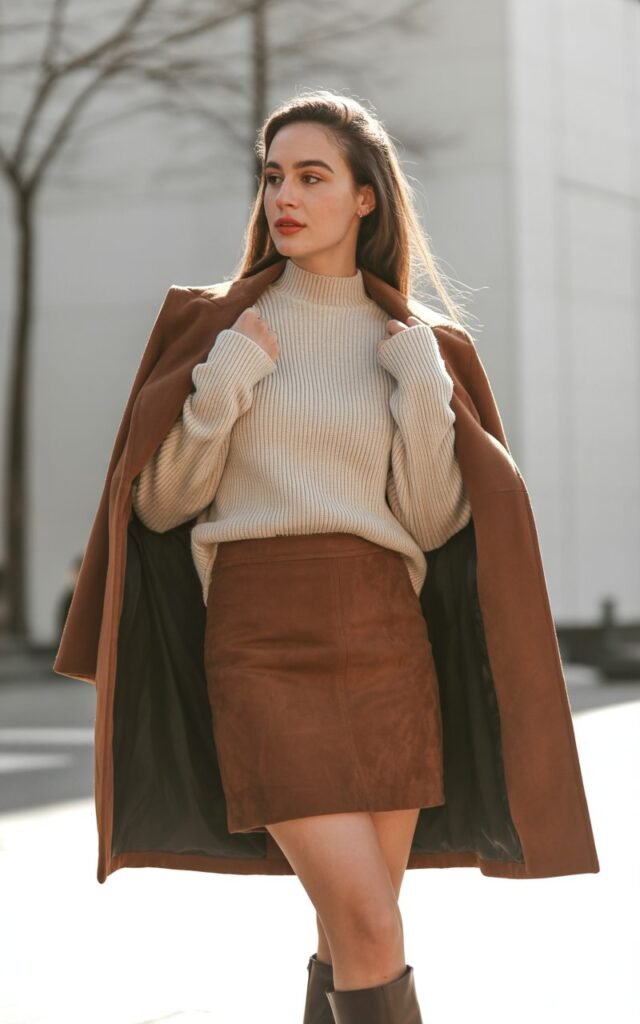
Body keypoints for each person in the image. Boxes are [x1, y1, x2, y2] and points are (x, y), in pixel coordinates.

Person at [132, 88, 473, 1024]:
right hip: (262, 640)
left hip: (386, 641)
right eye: (274, 175)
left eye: (312, 177)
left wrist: (423, 392)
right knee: (369, 922)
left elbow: (433, 521)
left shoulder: (413, 343)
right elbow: (160, 501)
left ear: (365, 197)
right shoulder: (220, 329)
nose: (285, 195)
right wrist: (226, 381)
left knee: (351, 929)